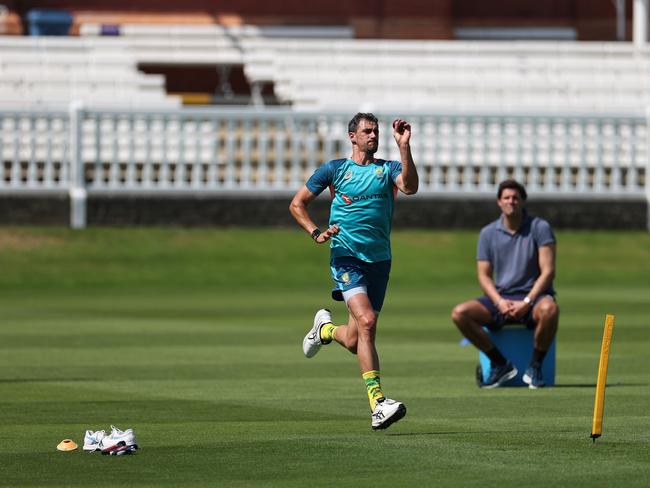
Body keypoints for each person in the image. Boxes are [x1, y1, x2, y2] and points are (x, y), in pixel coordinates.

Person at [289, 112, 418, 429]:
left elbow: (411, 187)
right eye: (367, 131)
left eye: (376, 131)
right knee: (368, 321)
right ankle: (377, 404)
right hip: (346, 258)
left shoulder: (387, 169)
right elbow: (297, 204)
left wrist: (404, 146)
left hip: (379, 261)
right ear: (352, 136)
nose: (373, 135)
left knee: (355, 336)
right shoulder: (335, 170)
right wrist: (315, 232)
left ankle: (325, 331)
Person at [451, 179, 559, 389]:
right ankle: (500, 364)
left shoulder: (540, 227)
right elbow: (484, 276)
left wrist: (527, 302)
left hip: (533, 298)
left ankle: (535, 366)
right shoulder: (488, 233)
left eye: (516, 198)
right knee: (460, 313)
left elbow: (548, 271)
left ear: (523, 201)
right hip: (502, 298)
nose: (511, 202)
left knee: (550, 309)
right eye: (507, 198)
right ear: (499, 202)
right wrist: (499, 302)